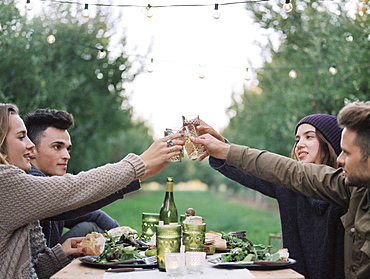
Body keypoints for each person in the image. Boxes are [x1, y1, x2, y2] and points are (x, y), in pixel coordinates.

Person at [0, 103, 184, 278]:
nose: (30, 145)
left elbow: (25, 270)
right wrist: (138, 165)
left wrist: (58, 256)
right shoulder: (5, 182)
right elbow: (74, 190)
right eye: (21, 136)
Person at [192, 101, 370, 279]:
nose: (300, 144)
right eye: (297, 139)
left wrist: (225, 149)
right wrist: (222, 147)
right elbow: (268, 169)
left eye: (309, 137)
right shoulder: (290, 187)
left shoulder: (351, 188)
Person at [24, 108, 137, 248]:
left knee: (90, 227)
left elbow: (93, 214)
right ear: (31, 150)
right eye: (57, 147)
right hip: (36, 267)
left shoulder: (52, 183)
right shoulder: (27, 183)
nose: (67, 156)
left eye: (68, 149)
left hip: (50, 260)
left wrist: (126, 238)